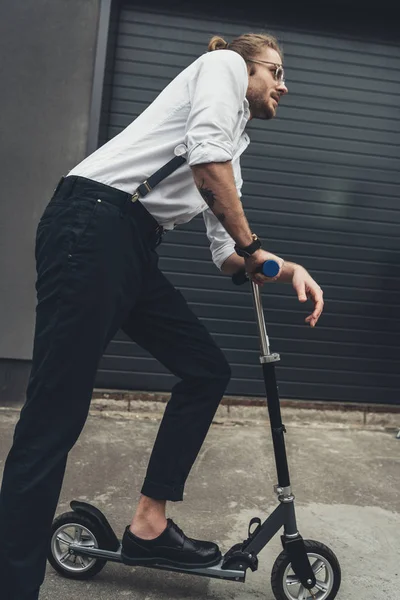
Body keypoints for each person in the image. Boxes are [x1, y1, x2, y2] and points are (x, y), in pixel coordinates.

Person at [0, 32, 323, 599]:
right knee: (56, 411)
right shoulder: (219, 65)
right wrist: (252, 247)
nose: (283, 84)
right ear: (245, 69)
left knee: (205, 369)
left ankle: (149, 526)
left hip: (132, 244)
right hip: (92, 223)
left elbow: (230, 253)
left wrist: (283, 267)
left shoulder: (233, 146)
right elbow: (207, 172)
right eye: (274, 70)